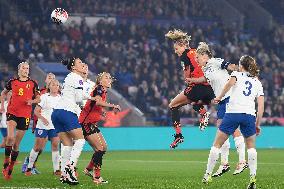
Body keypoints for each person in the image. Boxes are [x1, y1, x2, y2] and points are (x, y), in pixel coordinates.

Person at [202, 55, 264, 189]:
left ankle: (207, 175)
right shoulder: (257, 82)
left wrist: (218, 97)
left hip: (233, 113)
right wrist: (257, 124)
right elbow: (261, 105)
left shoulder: (236, 74)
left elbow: (228, 85)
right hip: (249, 115)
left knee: (217, 144)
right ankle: (252, 179)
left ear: (241, 65)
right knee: (251, 148)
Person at [187, 42, 248, 176]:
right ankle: (225, 164)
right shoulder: (206, 69)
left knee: (232, 129)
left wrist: (242, 70)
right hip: (222, 100)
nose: (196, 60)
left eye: (197, 57)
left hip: (230, 97)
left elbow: (230, 66)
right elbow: (205, 78)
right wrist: (194, 80)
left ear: (204, 56)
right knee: (221, 129)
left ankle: (242, 161)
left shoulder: (215, 61)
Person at [165, 29, 215, 148]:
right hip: (210, 87)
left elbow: (187, 76)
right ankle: (203, 114)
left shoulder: (184, 56)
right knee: (193, 101)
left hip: (197, 86)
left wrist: (187, 79)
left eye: (176, 49)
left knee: (173, 105)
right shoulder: (196, 52)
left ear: (182, 45)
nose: (176, 52)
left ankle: (179, 135)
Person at [51, 57, 96, 185]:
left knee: (67, 145)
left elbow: (76, 96)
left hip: (56, 113)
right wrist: (91, 99)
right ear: (74, 67)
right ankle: (70, 168)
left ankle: (64, 175)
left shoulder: (69, 77)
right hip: (67, 111)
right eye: (80, 63)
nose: (83, 64)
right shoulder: (77, 78)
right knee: (80, 140)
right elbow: (78, 98)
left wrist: (88, 98)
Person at [0, 61, 40, 180]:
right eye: (24, 68)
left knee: (16, 144)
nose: (26, 70)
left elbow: (38, 98)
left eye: (27, 68)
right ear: (19, 70)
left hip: (25, 115)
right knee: (10, 138)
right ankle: (6, 162)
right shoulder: (12, 82)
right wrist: (2, 105)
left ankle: (10, 169)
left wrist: (32, 101)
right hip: (12, 112)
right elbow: (3, 93)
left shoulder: (33, 83)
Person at [79, 72, 121, 184]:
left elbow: (95, 104)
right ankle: (96, 177)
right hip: (86, 123)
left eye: (109, 77)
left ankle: (88, 169)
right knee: (99, 149)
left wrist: (102, 112)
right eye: (106, 77)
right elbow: (97, 102)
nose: (109, 79)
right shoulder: (99, 89)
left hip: (91, 123)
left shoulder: (103, 90)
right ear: (100, 81)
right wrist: (113, 106)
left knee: (104, 147)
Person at [24, 79, 61, 176]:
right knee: (37, 147)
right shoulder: (44, 97)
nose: (55, 86)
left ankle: (56, 170)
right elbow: (36, 111)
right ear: (49, 86)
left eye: (57, 85)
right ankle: (29, 167)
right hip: (42, 126)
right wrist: (42, 118)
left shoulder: (61, 98)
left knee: (55, 145)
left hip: (54, 126)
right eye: (53, 84)